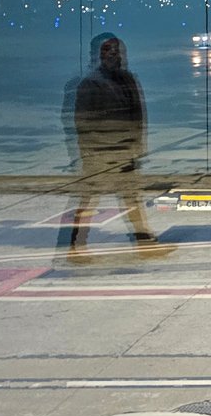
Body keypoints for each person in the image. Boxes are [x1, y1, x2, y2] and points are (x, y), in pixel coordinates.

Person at [68, 35, 167, 260]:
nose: (113, 55)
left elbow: (138, 117)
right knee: (89, 201)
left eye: (116, 50)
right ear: (98, 55)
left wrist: (137, 148)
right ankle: (76, 245)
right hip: (100, 156)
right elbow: (82, 123)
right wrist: (92, 153)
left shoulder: (128, 80)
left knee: (131, 199)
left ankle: (144, 243)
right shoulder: (90, 84)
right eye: (107, 51)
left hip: (124, 153)